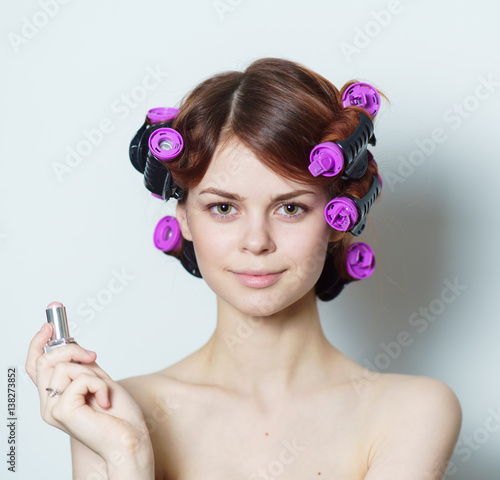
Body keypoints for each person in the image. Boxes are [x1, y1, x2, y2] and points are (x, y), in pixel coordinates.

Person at [26, 58, 462, 480]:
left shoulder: (412, 412)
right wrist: (128, 457)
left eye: (290, 207)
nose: (256, 242)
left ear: (336, 217)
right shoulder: (116, 414)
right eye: (223, 207)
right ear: (184, 218)